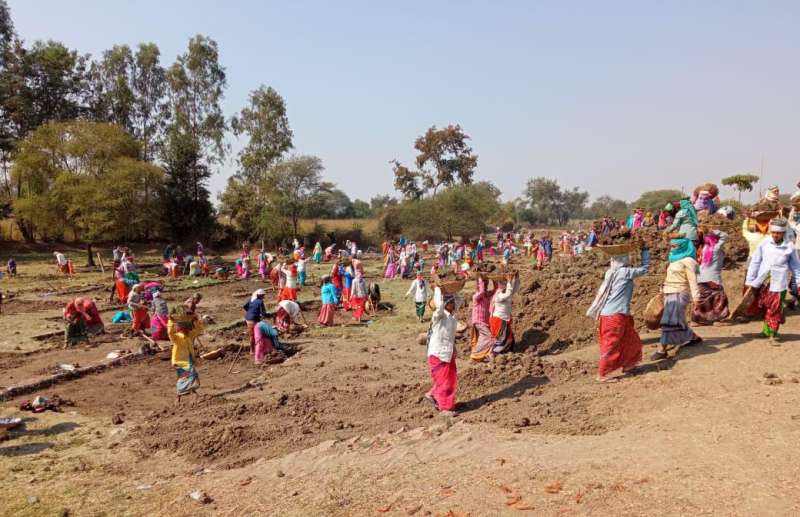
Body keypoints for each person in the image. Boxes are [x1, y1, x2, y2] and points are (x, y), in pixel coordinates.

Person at [586, 246, 650, 382]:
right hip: (615, 315)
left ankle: (629, 364)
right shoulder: (625, 272)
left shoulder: (610, 272)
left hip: (612, 314)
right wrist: (644, 250)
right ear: (624, 260)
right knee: (611, 344)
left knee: (630, 338)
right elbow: (645, 269)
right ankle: (602, 374)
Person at [745, 218, 800, 342]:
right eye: (773, 232)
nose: (775, 235)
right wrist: (750, 280)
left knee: (775, 307)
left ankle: (773, 334)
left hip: (780, 282)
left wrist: (799, 282)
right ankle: (765, 331)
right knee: (765, 307)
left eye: (778, 233)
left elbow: (796, 266)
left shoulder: (789, 246)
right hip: (764, 281)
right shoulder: (764, 243)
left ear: (783, 233)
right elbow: (755, 262)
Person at [652, 239, 702, 360]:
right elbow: (669, 277)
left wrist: (696, 298)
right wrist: (662, 290)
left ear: (683, 246)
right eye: (672, 246)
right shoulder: (673, 259)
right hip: (669, 292)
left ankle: (662, 349)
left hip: (679, 293)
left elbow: (693, 280)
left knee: (668, 321)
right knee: (677, 320)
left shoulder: (689, 261)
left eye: (675, 246)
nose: (672, 248)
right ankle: (693, 337)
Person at [425, 287, 460, 417]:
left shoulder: (452, 316)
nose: (454, 304)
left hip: (448, 353)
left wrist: (452, 289)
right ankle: (445, 408)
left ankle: (432, 394)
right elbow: (439, 306)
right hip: (438, 353)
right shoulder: (439, 315)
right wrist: (438, 289)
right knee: (444, 381)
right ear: (446, 304)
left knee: (449, 378)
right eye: (451, 302)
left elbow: (460, 300)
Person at [692, 229, 730, 325]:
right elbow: (725, 235)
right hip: (713, 278)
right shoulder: (716, 248)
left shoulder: (701, 249)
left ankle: (697, 320)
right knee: (719, 298)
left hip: (700, 278)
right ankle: (717, 320)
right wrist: (712, 231)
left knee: (703, 299)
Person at [169, 316, 204, 401]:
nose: (189, 330)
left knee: (187, 376)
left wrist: (197, 321)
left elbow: (199, 330)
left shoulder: (190, 335)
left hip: (188, 359)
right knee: (188, 375)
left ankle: (182, 394)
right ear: (182, 329)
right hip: (179, 361)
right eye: (187, 329)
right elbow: (170, 332)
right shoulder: (176, 337)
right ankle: (183, 392)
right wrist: (170, 321)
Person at [489, 273, 519, 355]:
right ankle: (494, 353)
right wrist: (509, 281)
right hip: (499, 320)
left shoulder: (506, 293)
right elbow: (509, 293)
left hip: (504, 319)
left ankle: (507, 353)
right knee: (501, 339)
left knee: (509, 338)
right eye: (505, 283)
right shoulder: (499, 296)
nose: (508, 285)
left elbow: (514, 289)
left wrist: (516, 278)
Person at [469, 275, 497, 362]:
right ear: (478, 285)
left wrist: (494, 279)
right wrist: (480, 278)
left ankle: (480, 356)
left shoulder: (486, 295)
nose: (485, 285)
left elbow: (495, 290)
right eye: (484, 284)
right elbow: (481, 291)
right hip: (478, 321)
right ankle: (476, 354)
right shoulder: (476, 296)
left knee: (483, 338)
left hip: (484, 322)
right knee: (490, 337)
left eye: (486, 283)